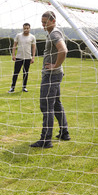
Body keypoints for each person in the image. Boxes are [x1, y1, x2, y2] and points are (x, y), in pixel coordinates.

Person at [30, 11, 70, 149]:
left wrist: (55, 66)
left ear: (53, 21)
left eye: (45, 23)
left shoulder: (54, 33)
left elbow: (63, 51)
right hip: (55, 74)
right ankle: (64, 132)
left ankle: (46, 139)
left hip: (52, 75)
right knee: (56, 104)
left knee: (46, 106)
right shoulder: (53, 32)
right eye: (42, 22)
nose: (43, 25)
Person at [8, 23, 36, 93]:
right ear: (23, 28)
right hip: (19, 57)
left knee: (25, 73)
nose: (26, 30)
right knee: (16, 73)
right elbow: (14, 46)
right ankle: (12, 87)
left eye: (27, 28)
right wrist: (13, 55)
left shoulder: (32, 37)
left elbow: (34, 47)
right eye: (24, 28)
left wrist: (33, 57)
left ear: (29, 28)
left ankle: (24, 87)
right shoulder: (18, 36)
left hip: (27, 58)